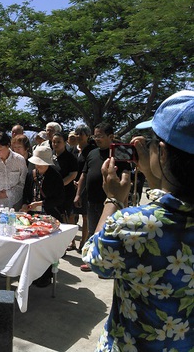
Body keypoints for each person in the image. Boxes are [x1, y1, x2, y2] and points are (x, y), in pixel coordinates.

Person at [82, 90, 194, 351]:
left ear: (163, 152)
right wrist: (155, 175)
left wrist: (114, 200)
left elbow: (93, 258)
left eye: (153, 144)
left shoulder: (135, 224)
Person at [74, 122, 131, 272]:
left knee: (112, 234)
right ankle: (93, 261)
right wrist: (78, 193)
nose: (97, 139)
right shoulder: (92, 152)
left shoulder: (120, 152)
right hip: (92, 200)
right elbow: (84, 175)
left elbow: (127, 178)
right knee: (94, 232)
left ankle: (109, 265)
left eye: (100, 136)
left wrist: (124, 200)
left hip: (112, 202)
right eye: (95, 136)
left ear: (110, 136)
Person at [21, 145, 65, 287]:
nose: (38, 166)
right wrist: (25, 205)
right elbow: (26, 194)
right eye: (37, 163)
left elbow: (60, 198)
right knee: (34, 246)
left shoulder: (55, 175)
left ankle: (46, 276)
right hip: (33, 216)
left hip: (49, 216)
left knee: (46, 248)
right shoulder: (31, 174)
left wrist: (42, 203)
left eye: (41, 164)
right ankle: (33, 274)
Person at [72, 124, 97, 252]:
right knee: (72, 214)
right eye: (77, 133)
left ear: (88, 136)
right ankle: (72, 242)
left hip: (86, 187)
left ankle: (84, 240)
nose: (79, 136)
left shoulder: (92, 150)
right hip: (73, 185)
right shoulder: (74, 150)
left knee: (85, 215)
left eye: (82, 134)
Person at [52, 133, 78, 224]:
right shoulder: (50, 156)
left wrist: (59, 185)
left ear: (65, 143)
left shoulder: (70, 157)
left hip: (66, 193)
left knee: (66, 219)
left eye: (58, 142)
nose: (55, 144)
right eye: (54, 142)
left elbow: (73, 175)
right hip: (52, 193)